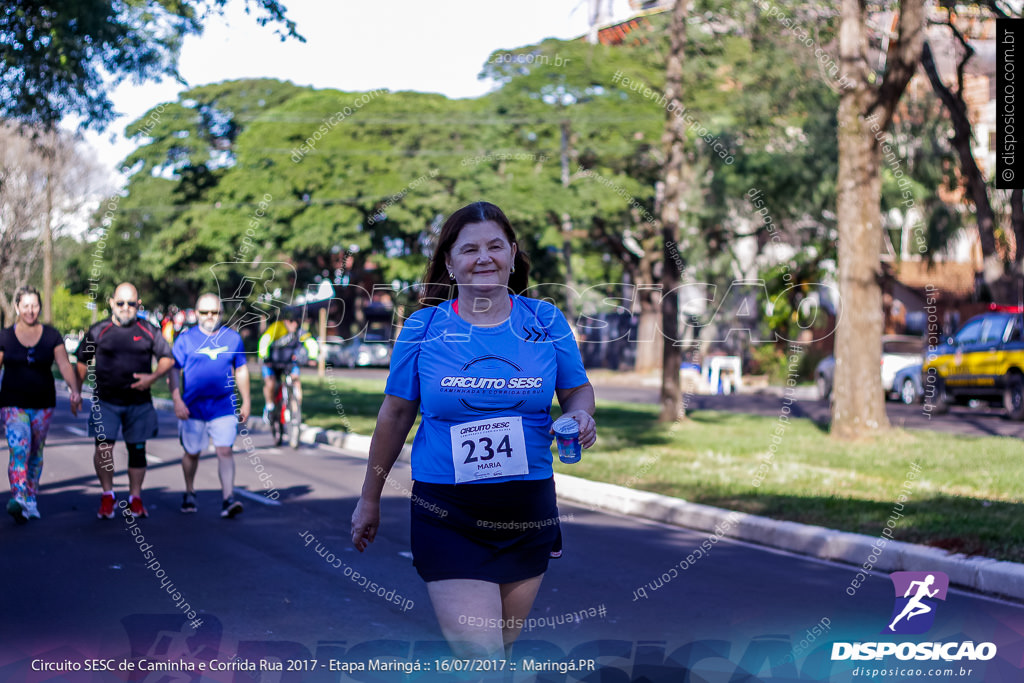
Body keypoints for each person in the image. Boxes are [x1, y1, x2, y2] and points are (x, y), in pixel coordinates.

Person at [350, 201, 597, 659]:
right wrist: (370, 497)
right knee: (481, 656)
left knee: (499, 652)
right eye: (469, 249)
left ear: (512, 253)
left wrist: (582, 415)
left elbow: (578, 392)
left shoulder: (545, 321)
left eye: (494, 246)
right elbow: (395, 417)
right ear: (449, 261)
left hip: (528, 509)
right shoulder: (424, 328)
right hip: (448, 513)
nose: (483, 258)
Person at [76, 283, 175, 519]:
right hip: (106, 401)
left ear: (138, 304)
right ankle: (107, 495)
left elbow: (167, 359)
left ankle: (135, 499)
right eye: (120, 303)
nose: (125, 308)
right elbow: (81, 360)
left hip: (138, 402)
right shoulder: (99, 330)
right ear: (111, 303)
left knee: (137, 451)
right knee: (103, 449)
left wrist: (152, 377)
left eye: (131, 303)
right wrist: (76, 392)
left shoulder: (149, 329)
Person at [0, 286, 82, 523]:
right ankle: (19, 498)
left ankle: (31, 498)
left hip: (43, 403)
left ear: (40, 307)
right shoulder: (5, 337)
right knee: (19, 448)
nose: (30, 310)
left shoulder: (51, 335)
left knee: (35, 452)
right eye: (25, 306)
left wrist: (75, 390)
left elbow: (65, 365)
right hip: (13, 403)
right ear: (17, 307)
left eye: (34, 305)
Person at [168, 293, 250, 518]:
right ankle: (189, 491)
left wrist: (246, 400)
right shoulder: (185, 340)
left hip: (223, 406)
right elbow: (174, 370)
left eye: (215, 312)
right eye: (205, 312)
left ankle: (228, 499)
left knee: (224, 450)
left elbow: (241, 369)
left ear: (221, 313)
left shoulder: (232, 339)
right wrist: (177, 399)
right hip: (193, 408)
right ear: (196, 314)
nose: (210, 316)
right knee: (192, 453)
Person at [257, 309, 318, 423]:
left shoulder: (299, 331)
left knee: (296, 381)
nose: (295, 324)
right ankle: (269, 406)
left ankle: (295, 411)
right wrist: (264, 356)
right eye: (292, 321)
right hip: (271, 361)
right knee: (270, 382)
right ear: (286, 321)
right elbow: (264, 340)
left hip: (288, 362)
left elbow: (311, 342)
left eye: (297, 321)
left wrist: (312, 357)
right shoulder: (277, 327)